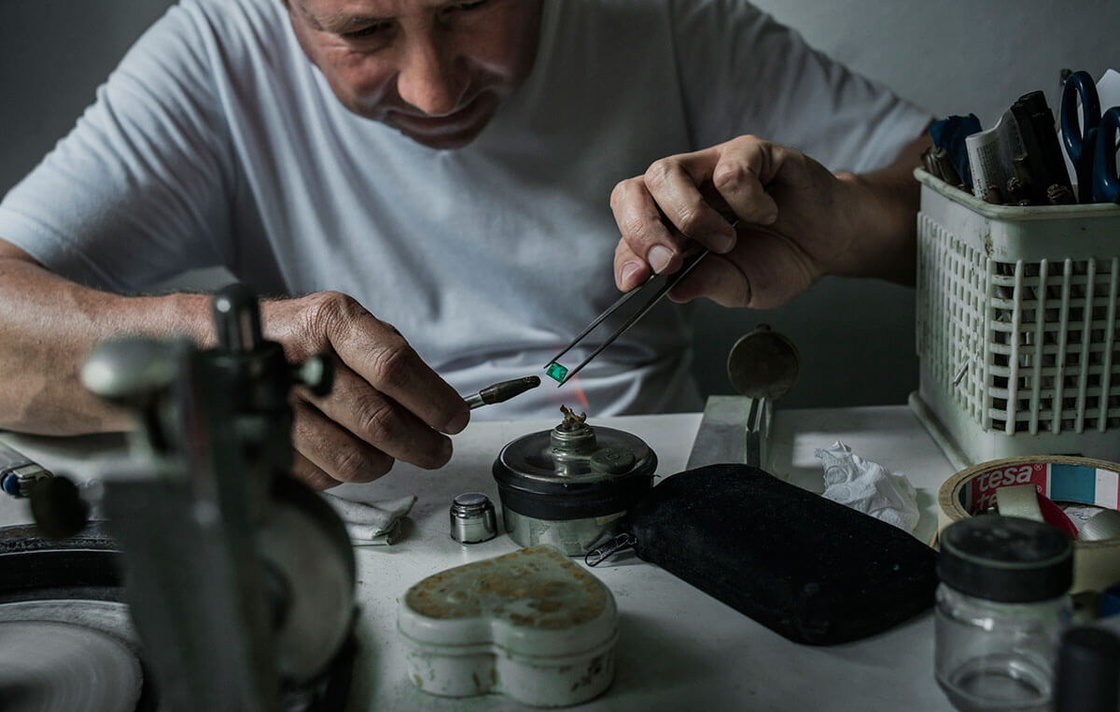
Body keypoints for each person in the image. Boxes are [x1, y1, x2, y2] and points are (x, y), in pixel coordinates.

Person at [0, 0, 932, 490]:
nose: (435, 90)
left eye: (471, 3)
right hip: (354, 524)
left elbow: (960, 194)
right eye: (361, 32)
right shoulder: (213, 55)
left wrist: (852, 220)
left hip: (664, 497)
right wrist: (201, 362)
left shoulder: (663, 19)